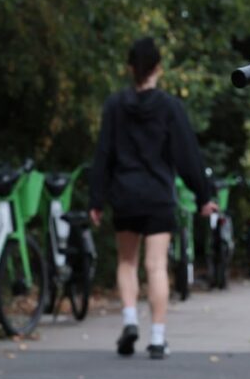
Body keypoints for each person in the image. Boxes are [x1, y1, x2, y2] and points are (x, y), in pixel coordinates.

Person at [88, 37, 216, 360]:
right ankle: (157, 339)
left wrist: (96, 200)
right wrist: (204, 196)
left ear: (130, 68)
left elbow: (103, 154)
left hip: (126, 196)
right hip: (158, 196)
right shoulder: (170, 107)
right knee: (156, 266)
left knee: (127, 262)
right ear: (158, 67)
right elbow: (187, 154)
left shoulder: (115, 106)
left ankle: (130, 320)